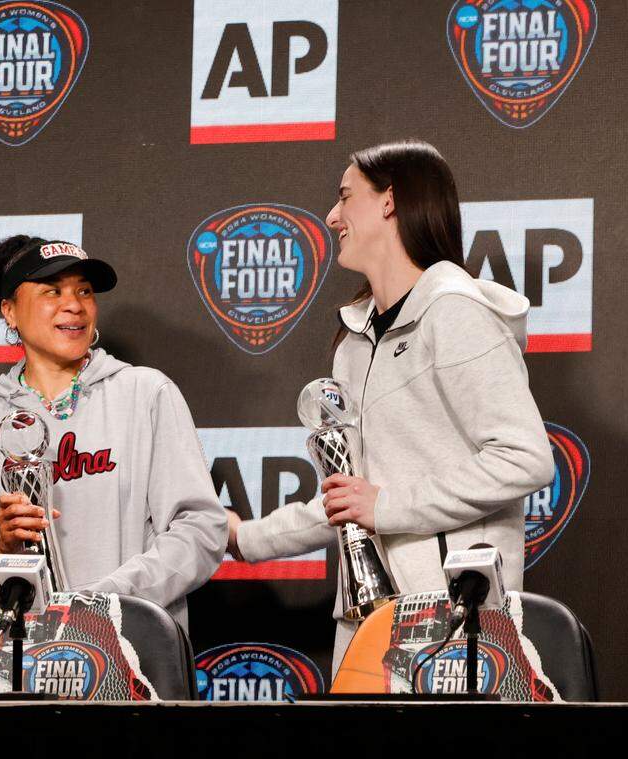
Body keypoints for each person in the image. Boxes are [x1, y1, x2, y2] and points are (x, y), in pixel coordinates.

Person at [226, 139, 554, 670]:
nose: (332, 215)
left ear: (389, 202)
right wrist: (247, 538)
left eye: (345, 197)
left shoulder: (454, 313)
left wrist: (386, 506)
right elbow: (353, 499)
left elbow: (525, 458)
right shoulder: (355, 342)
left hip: (454, 622)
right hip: (365, 620)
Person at [0, 236, 227, 631]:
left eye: (84, 291)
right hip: (23, 660)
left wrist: (103, 603)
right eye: (53, 291)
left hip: (133, 652)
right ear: (9, 310)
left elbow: (200, 531)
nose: (75, 304)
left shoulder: (146, 393)